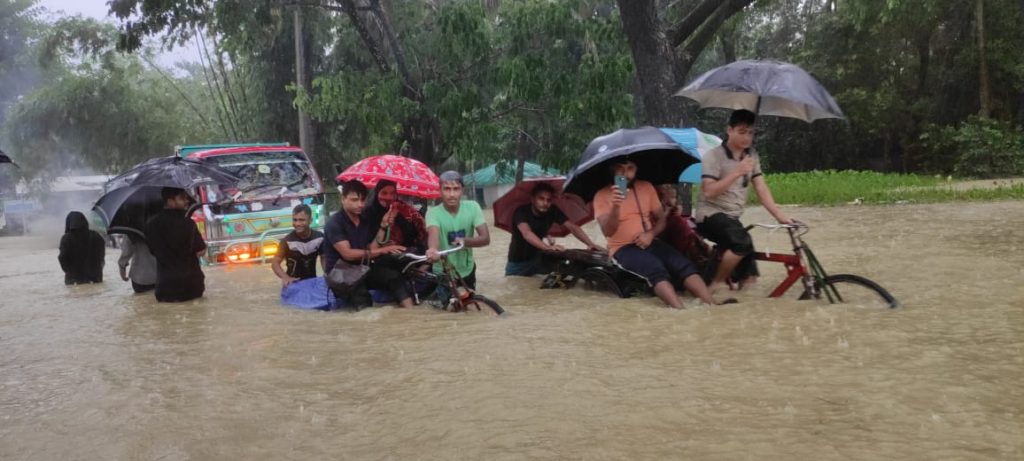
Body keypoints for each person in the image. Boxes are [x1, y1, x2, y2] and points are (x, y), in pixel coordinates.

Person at [593, 157, 727, 309]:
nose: (626, 173)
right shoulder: (602, 196)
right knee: (655, 268)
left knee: (682, 263)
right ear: (612, 170)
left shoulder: (646, 187)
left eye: (630, 168)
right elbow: (607, 231)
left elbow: (662, 219)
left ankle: (711, 303)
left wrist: (650, 234)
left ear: (636, 169)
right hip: (622, 248)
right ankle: (680, 310)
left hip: (651, 242)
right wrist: (616, 207)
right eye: (620, 169)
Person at [696, 109, 793, 293]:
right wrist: (737, 172)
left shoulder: (752, 156)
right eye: (741, 132)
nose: (746, 138)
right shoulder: (713, 156)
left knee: (750, 278)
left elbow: (761, 188)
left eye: (750, 132)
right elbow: (709, 192)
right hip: (709, 215)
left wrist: (781, 216)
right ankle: (717, 282)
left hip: (732, 219)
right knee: (742, 243)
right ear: (729, 130)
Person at [323, 180, 412, 309]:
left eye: (363, 200)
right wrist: (385, 250)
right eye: (354, 200)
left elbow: (371, 248)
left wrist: (383, 226)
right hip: (341, 274)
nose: (360, 205)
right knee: (363, 300)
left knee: (394, 277)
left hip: (362, 269)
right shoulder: (334, 223)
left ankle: (411, 312)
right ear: (343, 199)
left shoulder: (364, 220)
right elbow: (348, 254)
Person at [505, 182, 603, 276]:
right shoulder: (521, 212)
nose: (545, 203)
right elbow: (527, 233)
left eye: (549, 200)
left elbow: (573, 227)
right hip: (517, 264)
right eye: (541, 199)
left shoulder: (553, 210)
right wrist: (547, 247)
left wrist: (590, 244)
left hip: (538, 259)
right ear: (532, 199)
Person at [425, 171, 489, 289]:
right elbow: (433, 235)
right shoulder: (433, 213)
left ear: (462, 190)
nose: (452, 194)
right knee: (449, 306)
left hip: (467, 269)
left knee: (470, 303)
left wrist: (464, 241)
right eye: (447, 189)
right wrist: (433, 250)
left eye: (456, 189)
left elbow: (485, 238)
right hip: (443, 271)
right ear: (440, 191)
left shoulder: (473, 207)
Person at [144, 187, 207, 302]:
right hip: (192, 286)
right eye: (182, 198)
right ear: (170, 202)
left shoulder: (150, 224)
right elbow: (201, 251)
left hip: (166, 287)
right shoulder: (189, 223)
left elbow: (152, 251)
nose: (187, 201)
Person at [655, 184, 713, 274]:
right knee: (680, 224)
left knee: (685, 223)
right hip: (659, 228)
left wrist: (679, 207)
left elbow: (684, 211)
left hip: (677, 225)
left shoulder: (681, 186)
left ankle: (703, 252)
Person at [364, 180, 428, 255]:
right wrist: (385, 226)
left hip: (406, 254)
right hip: (377, 258)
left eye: (392, 193)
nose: (389, 197)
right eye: (384, 193)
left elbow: (419, 234)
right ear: (377, 193)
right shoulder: (367, 213)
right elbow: (367, 246)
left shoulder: (404, 209)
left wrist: (400, 220)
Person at [271, 204, 324, 287]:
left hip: (312, 282)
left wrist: (328, 275)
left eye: (301, 220)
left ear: (310, 220)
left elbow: (324, 259)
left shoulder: (319, 238)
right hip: (293, 284)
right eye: (295, 220)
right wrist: (285, 277)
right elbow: (275, 263)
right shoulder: (287, 241)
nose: (297, 223)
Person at [58, 211, 105, 285]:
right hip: (95, 278)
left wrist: (69, 272)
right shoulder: (96, 236)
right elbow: (101, 256)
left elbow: (62, 257)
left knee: (76, 296)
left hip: (74, 280)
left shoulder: (66, 238)